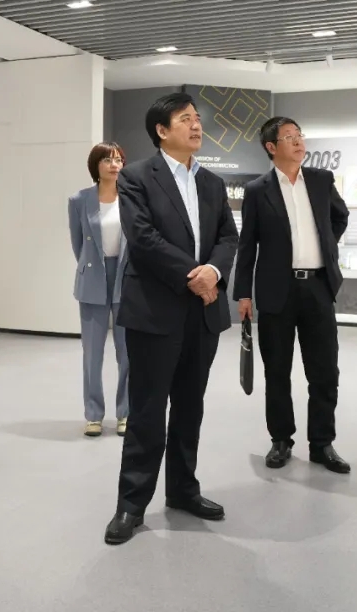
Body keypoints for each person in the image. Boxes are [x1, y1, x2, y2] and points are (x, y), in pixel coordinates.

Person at [104, 92, 238, 546]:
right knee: (146, 411)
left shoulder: (212, 182)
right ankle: (131, 504)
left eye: (197, 118)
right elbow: (142, 238)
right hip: (155, 311)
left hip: (203, 312)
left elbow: (228, 236)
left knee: (189, 406)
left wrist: (213, 271)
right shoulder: (137, 176)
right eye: (185, 119)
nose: (196, 125)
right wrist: (193, 275)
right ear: (162, 131)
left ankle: (183, 490)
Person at [232, 116, 352, 474]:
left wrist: (326, 246)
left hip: (317, 287)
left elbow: (340, 217)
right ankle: (281, 440)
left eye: (300, 135)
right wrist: (243, 294)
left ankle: (322, 443)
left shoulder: (321, 180)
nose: (299, 141)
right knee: (277, 371)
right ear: (272, 147)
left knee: (325, 371)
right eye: (289, 137)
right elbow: (247, 244)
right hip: (276, 290)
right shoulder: (258, 190)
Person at [68, 142, 130, 438]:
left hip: (126, 277)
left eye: (118, 160)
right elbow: (77, 243)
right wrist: (91, 267)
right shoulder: (79, 199)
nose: (114, 165)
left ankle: (125, 412)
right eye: (107, 160)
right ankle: (93, 414)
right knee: (92, 353)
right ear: (96, 165)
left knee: (127, 352)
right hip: (93, 276)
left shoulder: (133, 198)